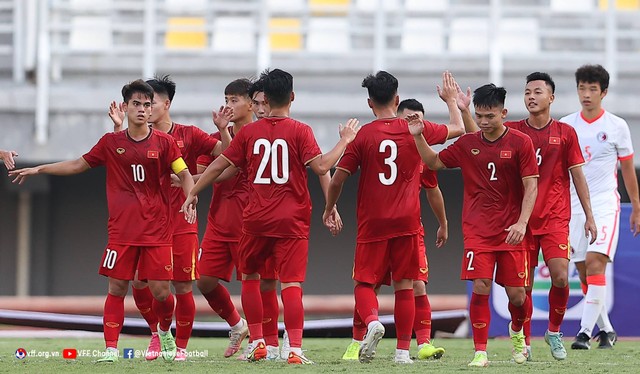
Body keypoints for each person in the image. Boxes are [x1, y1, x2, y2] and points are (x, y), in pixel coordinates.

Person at [10, 79, 197, 363]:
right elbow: (77, 164)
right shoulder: (111, 143)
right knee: (117, 289)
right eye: (137, 104)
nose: (143, 110)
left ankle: (163, 330)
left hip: (157, 231)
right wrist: (39, 169)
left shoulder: (166, 142)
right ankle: (111, 349)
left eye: (147, 105)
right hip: (121, 232)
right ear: (125, 107)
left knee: (161, 293)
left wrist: (189, 197)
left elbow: (183, 173)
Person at [182, 68, 359, 364]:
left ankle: (259, 342)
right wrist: (345, 140)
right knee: (289, 284)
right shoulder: (300, 130)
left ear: (266, 99)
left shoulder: (250, 132)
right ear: (291, 97)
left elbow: (217, 167)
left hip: (255, 219)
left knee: (250, 278)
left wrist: (192, 192)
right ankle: (294, 350)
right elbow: (322, 166)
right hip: (291, 219)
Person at [324, 71, 462, 364]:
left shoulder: (363, 136)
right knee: (405, 286)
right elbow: (458, 128)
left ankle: (372, 321)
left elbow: (337, 178)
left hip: (373, 223)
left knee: (364, 284)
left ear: (369, 103)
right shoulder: (416, 128)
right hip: (408, 222)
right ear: (397, 99)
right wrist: (451, 100)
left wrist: (329, 208)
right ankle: (402, 352)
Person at [459, 72, 597, 361]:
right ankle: (523, 337)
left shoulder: (565, 133)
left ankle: (554, 332)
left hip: (555, 217)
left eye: (537, 92)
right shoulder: (511, 131)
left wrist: (589, 215)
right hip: (518, 220)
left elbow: (578, 176)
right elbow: (479, 140)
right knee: (522, 291)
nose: (531, 97)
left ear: (551, 98)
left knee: (560, 276)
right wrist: (462, 110)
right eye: (527, 92)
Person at [410, 83, 538, 367]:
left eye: (490, 116)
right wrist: (419, 138)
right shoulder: (468, 144)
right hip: (477, 231)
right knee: (481, 286)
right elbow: (433, 161)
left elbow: (531, 186)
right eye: (479, 116)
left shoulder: (520, 143)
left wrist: (522, 222)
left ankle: (517, 333)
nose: (483, 121)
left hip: (512, 233)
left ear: (503, 113)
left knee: (517, 296)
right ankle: (480, 351)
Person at [108, 75, 225, 361]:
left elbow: (227, 156)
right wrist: (119, 127)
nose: (146, 108)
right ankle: (158, 334)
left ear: (165, 104)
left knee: (182, 285)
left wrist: (223, 131)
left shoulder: (190, 134)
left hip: (182, 221)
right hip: (146, 224)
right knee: (137, 282)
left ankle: (181, 348)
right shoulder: (136, 137)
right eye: (141, 103)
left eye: (152, 102)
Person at [560, 64, 640, 350]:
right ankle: (606, 329)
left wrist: (637, 207)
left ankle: (583, 332)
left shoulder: (617, 126)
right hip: (574, 207)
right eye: (582, 88)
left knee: (596, 263)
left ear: (603, 92)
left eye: (593, 89)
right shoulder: (567, 125)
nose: (586, 94)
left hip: (606, 204)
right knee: (583, 272)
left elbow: (628, 169)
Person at [195, 78, 256, 359]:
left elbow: (235, 162)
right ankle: (237, 325)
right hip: (219, 222)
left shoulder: (262, 135)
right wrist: (183, 182)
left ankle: (260, 340)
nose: (229, 105)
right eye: (226, 99)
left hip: (251, 223)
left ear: (251, 103)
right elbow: (209, 173)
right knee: (204, 280)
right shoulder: (215, 137)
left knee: (254, 284)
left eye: (235, 100)